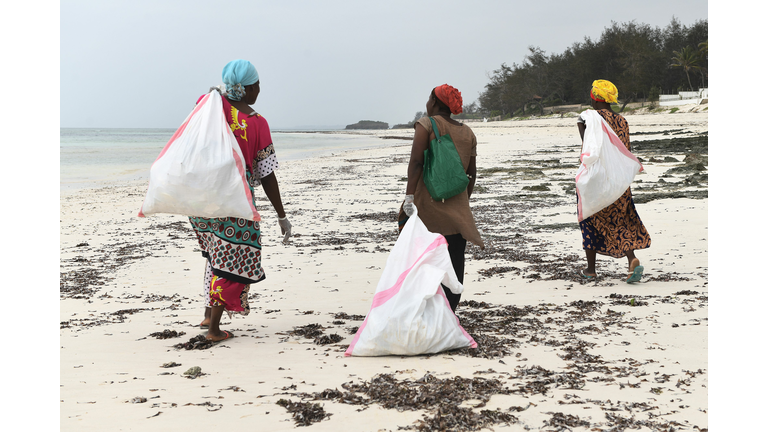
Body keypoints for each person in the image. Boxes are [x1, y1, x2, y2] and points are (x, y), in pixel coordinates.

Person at [190, 59, 292, 341]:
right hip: (234, 202)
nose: (260, 90)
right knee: (233, 259)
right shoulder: (256, 122)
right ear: (247, 89)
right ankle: (213, 330)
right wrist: (281, 215)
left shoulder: (207, 104)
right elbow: (266, 173)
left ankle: (208, 315)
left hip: (201, 200)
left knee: (214, 253)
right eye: (257, 85)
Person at [400, 84, 484, 313]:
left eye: (429, 99)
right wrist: (461, 202)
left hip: (428, 213)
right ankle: (448, 316)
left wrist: (408, 199)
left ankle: (426, 318)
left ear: (435, 103)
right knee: (454, 266)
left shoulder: (426, 124)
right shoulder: (468, 132)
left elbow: (416, 163)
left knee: (423, 265)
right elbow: (471, 174)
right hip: (458, 216)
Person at [576, 79, 650, 283]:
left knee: (589, 219)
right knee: (621, 221)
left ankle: (590, 269)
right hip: (619, 181)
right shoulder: (623, 121)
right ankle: (632, 259)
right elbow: (625, 150)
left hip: (597, 181)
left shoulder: (588, 117)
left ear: (594, 97)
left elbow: (587, 147)